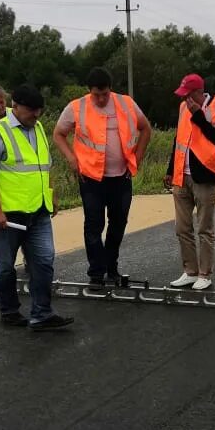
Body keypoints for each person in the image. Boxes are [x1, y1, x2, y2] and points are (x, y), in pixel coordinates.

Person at [0, 84, 74, 331]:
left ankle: (42, 313)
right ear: (15, 106)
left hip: (38, 211)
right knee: (6, 266)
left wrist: (50, 196)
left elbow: (44, 166)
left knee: (43, 261)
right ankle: (9, 311)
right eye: (31, 111)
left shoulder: (39, 128)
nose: (36, 115)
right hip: (9, 215)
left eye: (39, 111)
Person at [53, 67, 152, 287]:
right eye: (96, 94)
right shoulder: (76, 107)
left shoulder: (125, 103)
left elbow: (146, 128)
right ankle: (96, 273)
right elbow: (58, 134)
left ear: (110, 89)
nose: (100, 98)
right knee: (94, 225)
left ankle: (111, 268)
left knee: (118, 224)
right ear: (89, 91)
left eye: (104, 94)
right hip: (91, 179)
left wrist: (138, 157)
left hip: (121, 178)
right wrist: (71, 158)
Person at [163, 74, 215, 291]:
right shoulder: (183, 107)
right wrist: (169, 169)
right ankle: (190, 272)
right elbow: (179, 139)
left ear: (197, 92)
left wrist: (199, 115)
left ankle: (205, 274)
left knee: (204, 228)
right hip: (181, 176)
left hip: (205, 177)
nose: (184, 99)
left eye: (187, 95)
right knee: (182, 228)